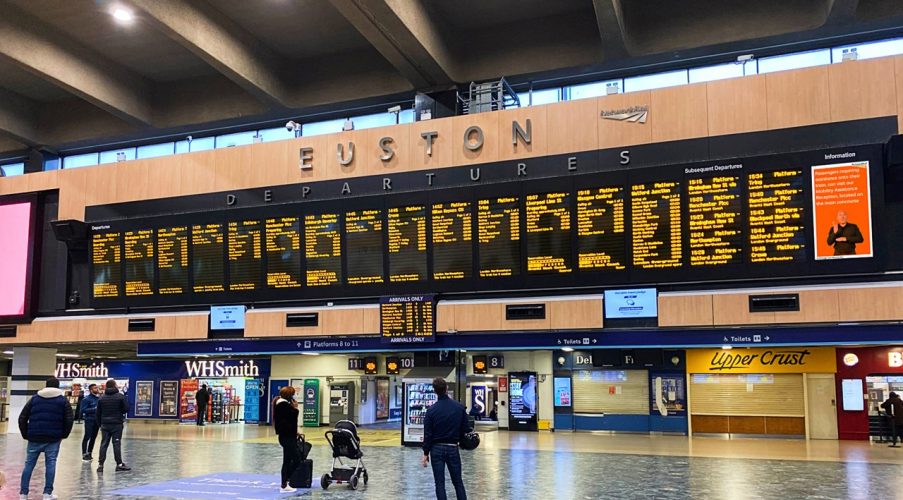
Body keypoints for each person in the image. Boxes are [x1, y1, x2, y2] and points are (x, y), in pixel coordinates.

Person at [18, 377, 74, 500]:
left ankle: (23, 493)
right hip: (53, 438)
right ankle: (47, 493)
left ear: (46, 385)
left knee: (29, 465)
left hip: (34, 437)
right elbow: (69, 419)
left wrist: (26, 434)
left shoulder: (34, 399)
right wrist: (64, 434)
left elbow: (22, 417)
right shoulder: (63, 401)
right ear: (58, 386)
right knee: (51, 464)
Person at [422, 377, 470, 500]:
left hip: (436, 449)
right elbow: (466, 428)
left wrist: (426, 452)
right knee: (458, 482)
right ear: (447, 388)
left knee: (439, 484)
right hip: (453, 447)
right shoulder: (459, 407)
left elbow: (428, 434)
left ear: (434, 391)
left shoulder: (431, 411)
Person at [96, 380, 130, 472]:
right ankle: (119, 464)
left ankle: (100, 465)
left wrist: (100, 424)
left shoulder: (101, 398)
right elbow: (126, 409)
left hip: (105, 424)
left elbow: (98, 413)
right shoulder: (120, 397)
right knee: (116, 444)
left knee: (104, 444)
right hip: (117, 424)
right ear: (114, 386)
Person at [273, 386, 301, 494]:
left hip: (287, 436)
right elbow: (291, 419)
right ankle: (285, 482)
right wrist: (296, 408)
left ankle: (285, 483)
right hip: (287, 437)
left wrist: (295, 432)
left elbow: (287, 421)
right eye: (293, 394)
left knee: (287, 460)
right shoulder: (283, 405)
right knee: (296, 459)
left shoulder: (282, 404)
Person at [81, 384, 101, 461]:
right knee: (87, 436)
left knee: (93, 437)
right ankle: (84, 453)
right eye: (95, 388)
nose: (97, 389)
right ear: (91, 390)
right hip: (89, 420)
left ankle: (89, 452)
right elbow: (82, 410)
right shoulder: (86, 399)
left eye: (97, 388)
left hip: (97, 421)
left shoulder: (98, 399)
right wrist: (94, 409)